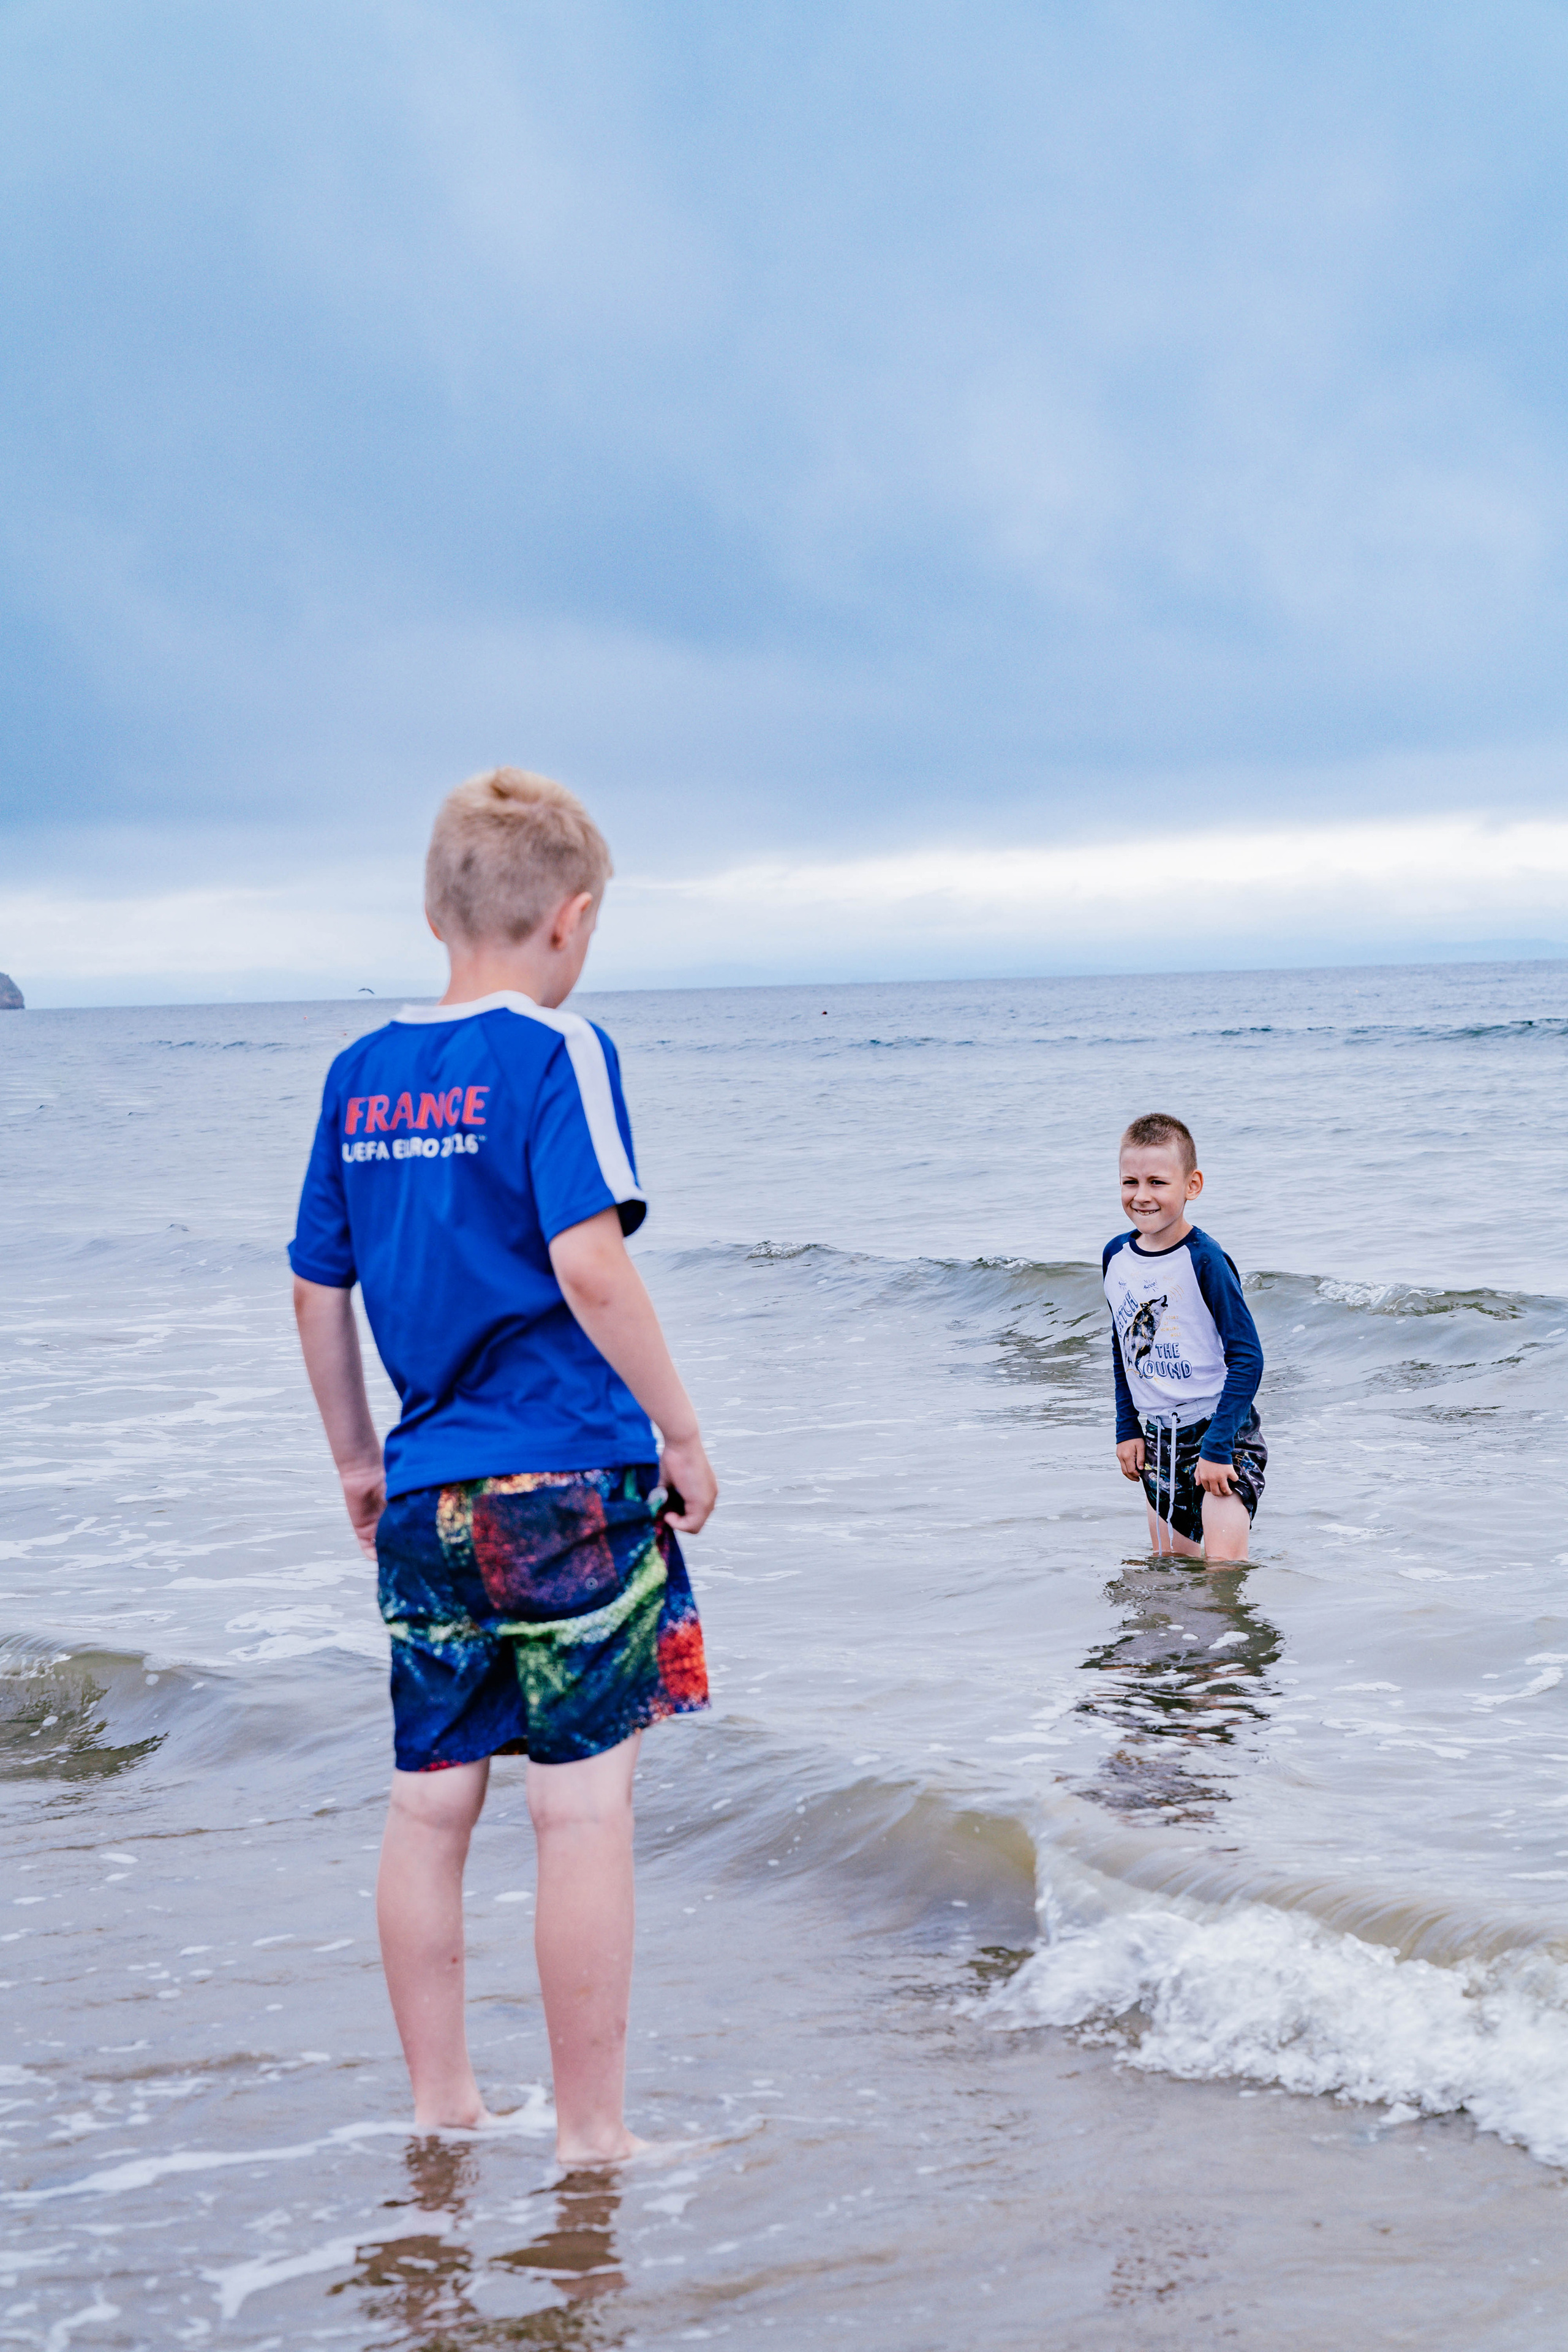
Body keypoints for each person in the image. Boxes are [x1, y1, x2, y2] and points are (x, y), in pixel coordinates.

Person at [288, 767, 717, 2161]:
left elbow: (316, 1290)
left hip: (427, 1489)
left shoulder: (357, 1077)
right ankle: (593, 2132)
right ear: (571, 918)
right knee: (580, 1809)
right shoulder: (556, 1050)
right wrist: (680, 1430)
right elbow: (589, 1264)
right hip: (566, 1479)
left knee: (429, 1807)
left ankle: (444, 2105)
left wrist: (357, 1458)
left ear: (434, 912)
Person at [1103, 1112, 1265, 1564]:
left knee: (1223, 1575)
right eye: (1130, 1182)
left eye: (1157, 1182)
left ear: (1192, 1185)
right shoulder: (1116, 1257)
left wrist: (1217, 1446)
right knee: (1171, 1576)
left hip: (1220, 1432)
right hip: (1157, 1440)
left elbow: (1248, 1358)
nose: (1142, 1195)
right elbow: (1123, 1348)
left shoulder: (1205, 1259)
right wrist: (1127, 1428)